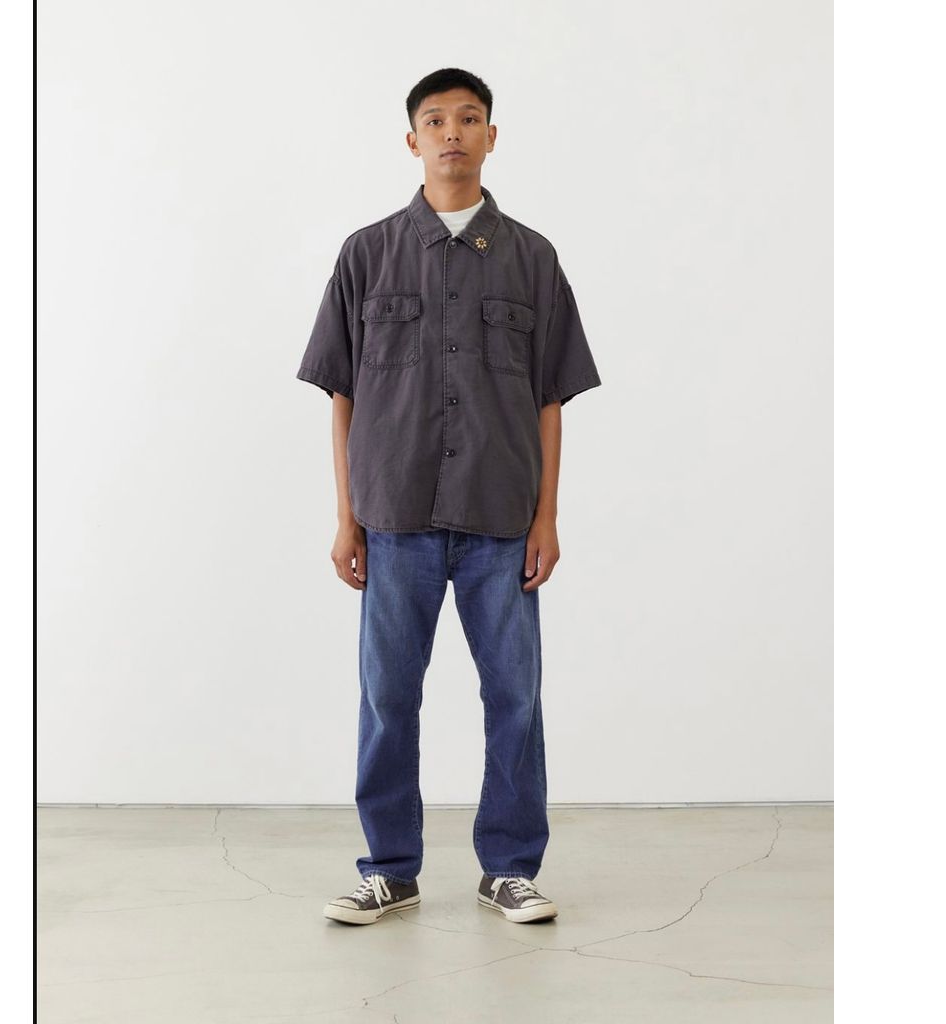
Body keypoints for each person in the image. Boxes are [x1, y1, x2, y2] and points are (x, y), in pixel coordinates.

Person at [296, 68, 602, 926]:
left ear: (492, 137)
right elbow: (342, 393)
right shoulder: (367, 254)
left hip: (502, 519)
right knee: (388, 699)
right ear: (413, 140)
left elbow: (550, 398)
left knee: (515, 699)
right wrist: (346, 516)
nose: (452, 133)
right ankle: (389, 868)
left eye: (469, 119)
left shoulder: (533, 258)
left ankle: (509, 867)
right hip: (394, 518)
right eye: (435, 121)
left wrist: (547, 517)